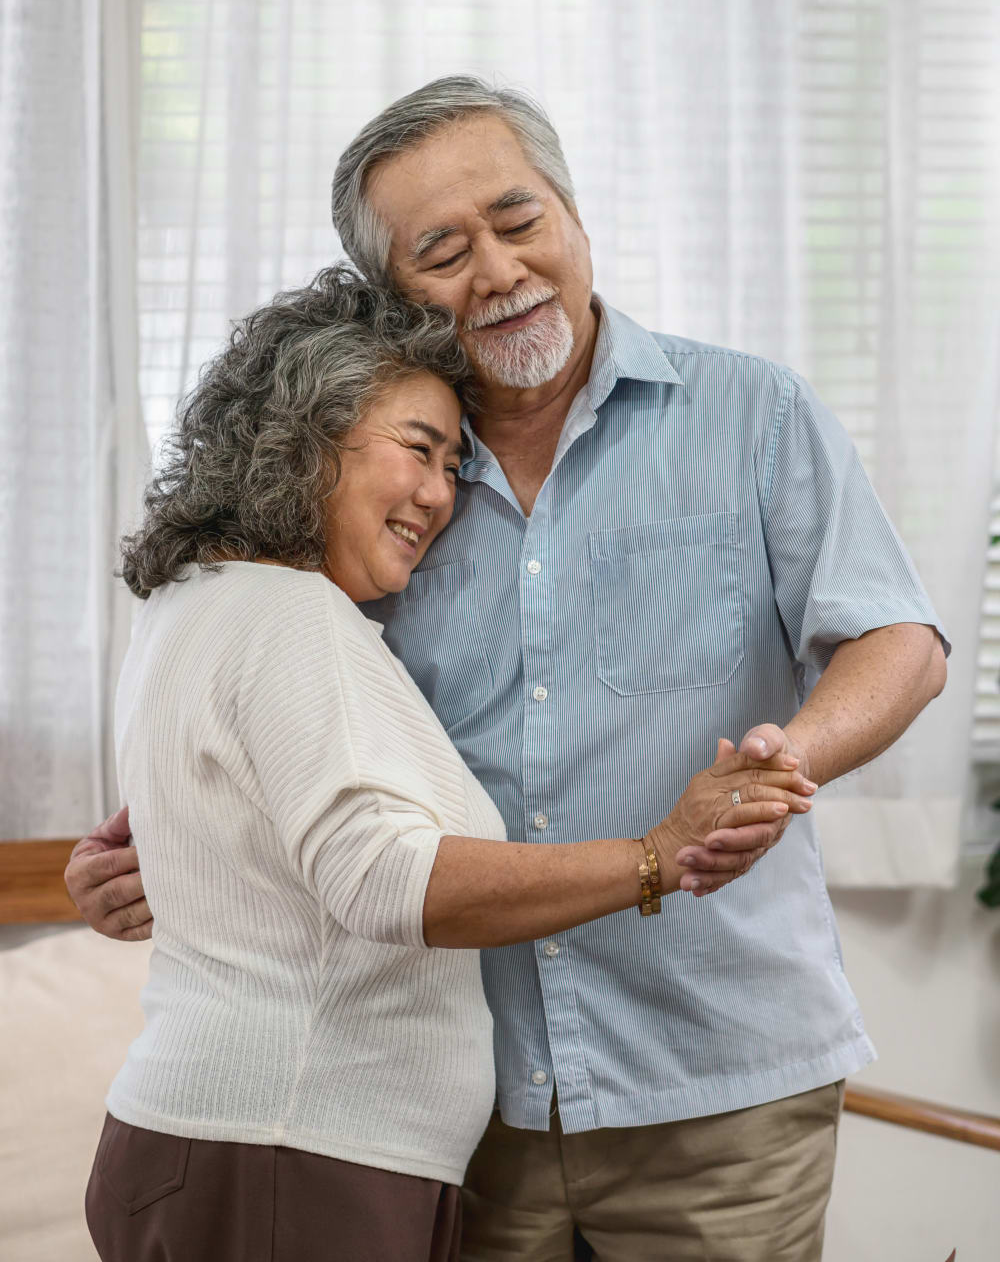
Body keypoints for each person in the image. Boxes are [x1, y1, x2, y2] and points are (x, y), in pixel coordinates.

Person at [68, 78, 948, 1262]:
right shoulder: (368, 492)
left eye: (518, 218)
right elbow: (281, 717)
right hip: (469, 1101)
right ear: (392, 294)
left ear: (575, 215)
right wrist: (180, 847)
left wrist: (794, 754)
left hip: (717, 1076)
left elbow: (899, 637)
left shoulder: (753, 411)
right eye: (441, 250)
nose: (495, 268)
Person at [82, 265, 813, 1262]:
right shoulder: (289, 615)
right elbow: (382, 879)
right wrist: (654, 854)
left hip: (245, 1144)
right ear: (302, 434)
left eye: (452, 465)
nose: (438, 497)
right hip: (291, 1155)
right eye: (419, 451)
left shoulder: (197, 602)